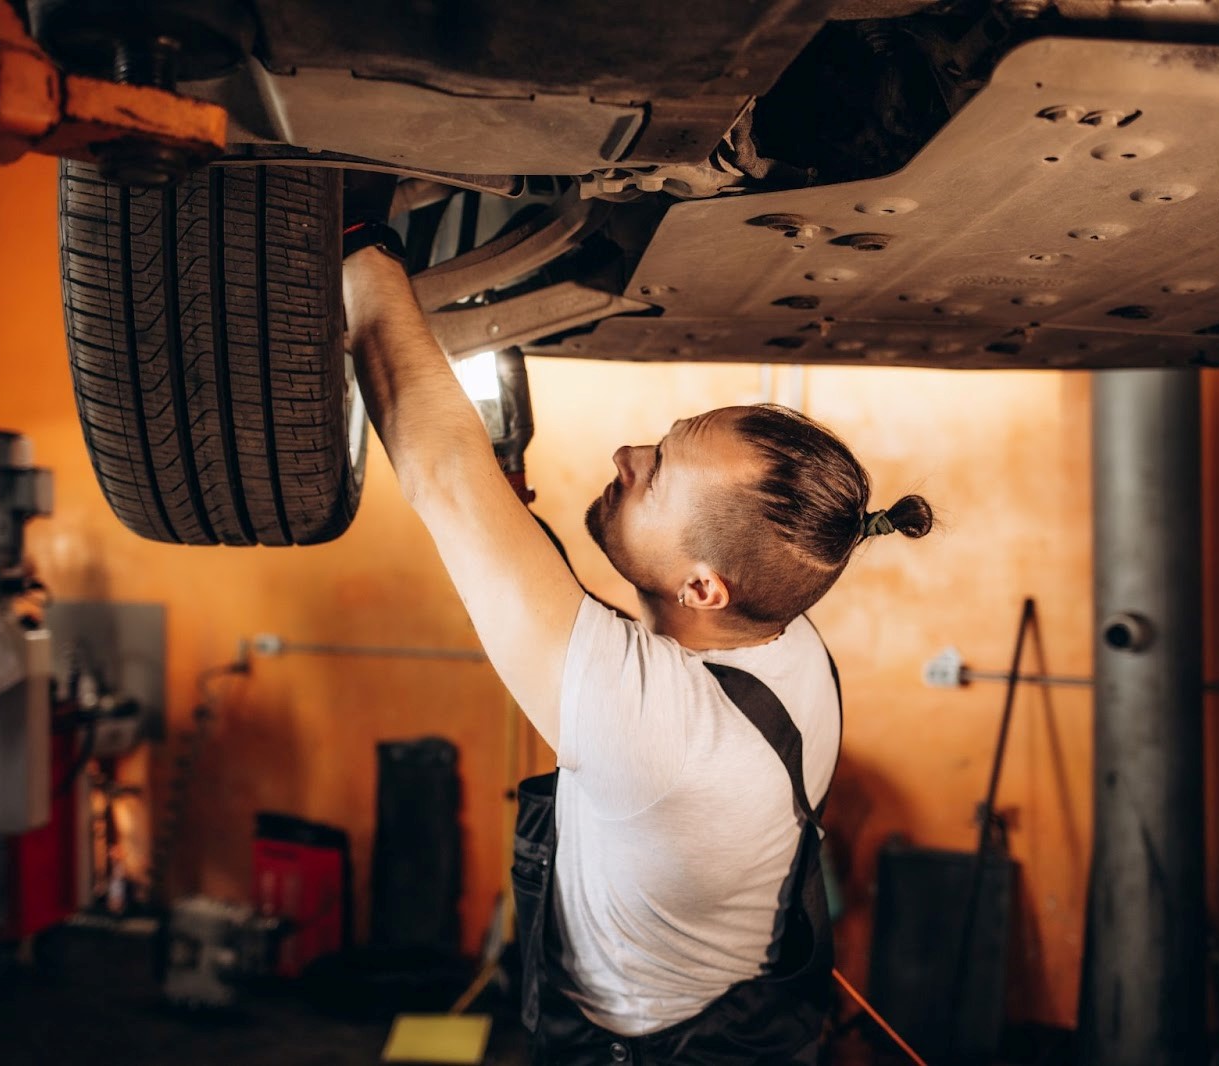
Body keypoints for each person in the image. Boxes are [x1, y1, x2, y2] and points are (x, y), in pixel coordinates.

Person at [340, 188, 934, 1065]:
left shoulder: (660, 731)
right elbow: (586, 628)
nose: (628, 454)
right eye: (661, 441)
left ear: (703, 586)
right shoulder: (781, 635)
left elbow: (441, 474)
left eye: (655, 473)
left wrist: (356, 244)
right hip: (737, 1028)